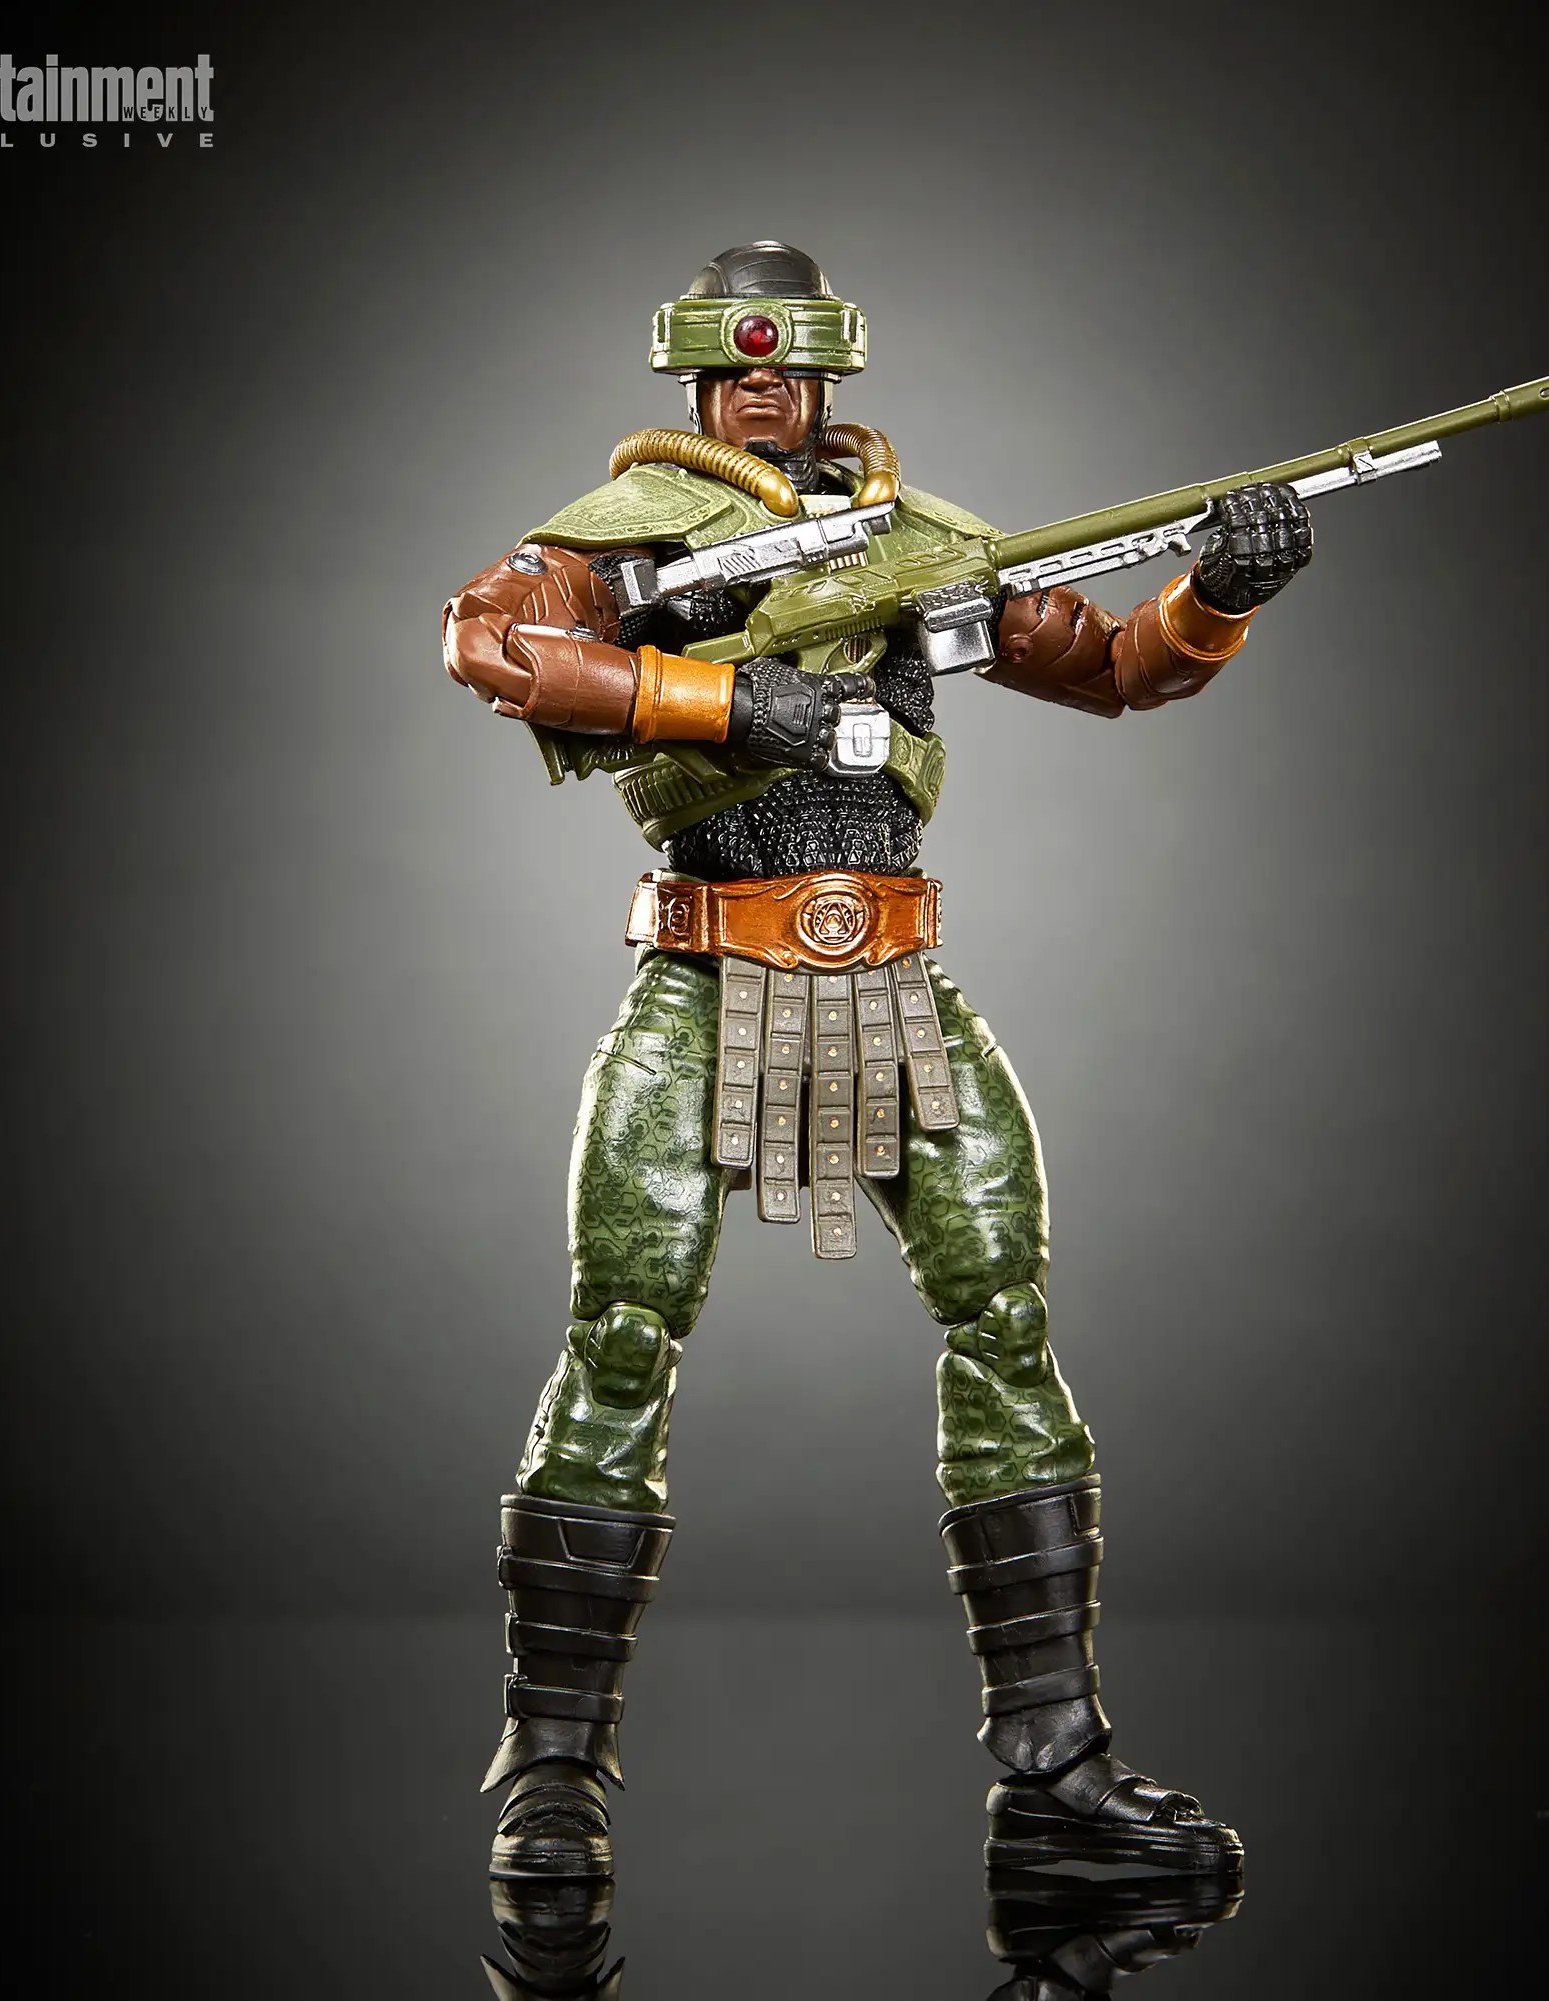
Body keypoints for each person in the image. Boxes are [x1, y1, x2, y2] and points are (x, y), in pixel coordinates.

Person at [442, 241, 1311, 1880]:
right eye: (736, 364)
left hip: (898, 976)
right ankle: (550, 1770)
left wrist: (1222, 593)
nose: (764, 385)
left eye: (790, 362)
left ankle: (1054, 1765)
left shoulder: (917, 540)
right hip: (705, 973)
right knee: (619, 1339)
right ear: (696, 379)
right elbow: (488, 644)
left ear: (832, 371)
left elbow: (1114, 667)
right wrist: (724, 705)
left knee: (1004, 1318)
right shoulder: (624, 537)